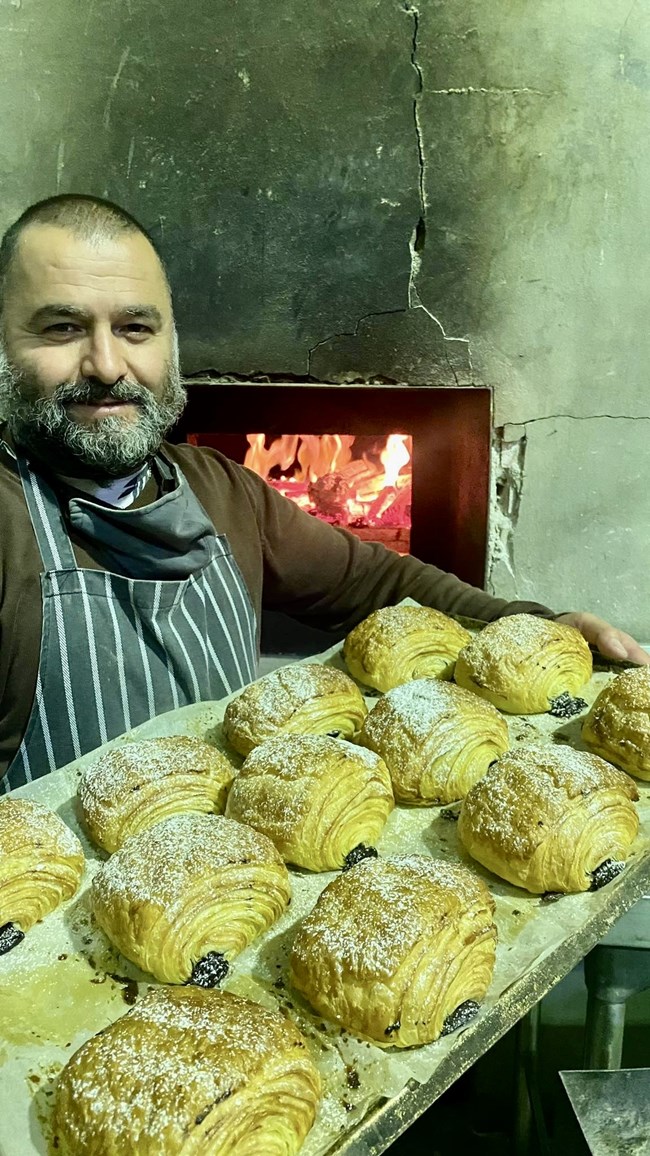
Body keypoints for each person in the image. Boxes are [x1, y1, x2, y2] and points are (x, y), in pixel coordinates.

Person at [0, 194, 646, 792]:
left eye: (136, 328)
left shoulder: (217, 489)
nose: (108, 365)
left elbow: (374, 584)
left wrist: (533, 625)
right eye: (62, 329)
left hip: (228, 870)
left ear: (170, 342)